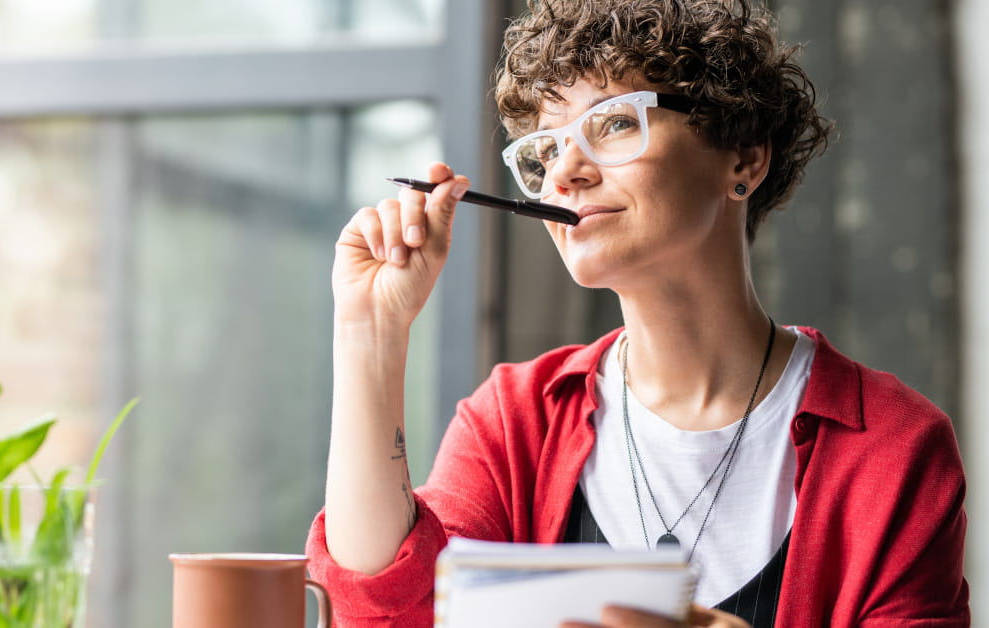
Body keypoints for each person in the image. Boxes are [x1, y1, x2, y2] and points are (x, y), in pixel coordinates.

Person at [306, 0, 970, 626]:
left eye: (614, 122)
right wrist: (371, 334)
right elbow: (388, 613)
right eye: (544, 148)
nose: (564, 173)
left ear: (744, 158)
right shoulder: (513, 421)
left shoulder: (893, 448)